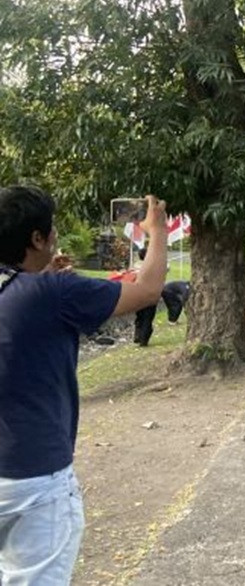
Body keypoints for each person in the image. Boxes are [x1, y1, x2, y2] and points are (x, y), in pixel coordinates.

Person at [0, 188, 168, 583]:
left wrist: (39, 280)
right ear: (37, 239)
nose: (56, 235)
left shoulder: (32, 291)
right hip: (33, 476)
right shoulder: (52, 293)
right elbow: (147, 289)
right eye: (51, 229)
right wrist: (157, 231)